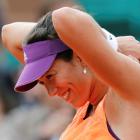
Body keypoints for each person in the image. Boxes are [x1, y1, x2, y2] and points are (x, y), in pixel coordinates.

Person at [2, 7, 140, 140]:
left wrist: (111, 44)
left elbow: (64, 18)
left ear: (80, 56)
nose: (51, 92)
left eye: (50, 76)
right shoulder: (85, 104)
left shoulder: (125, 94)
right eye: (42, 82)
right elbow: (8, 33)